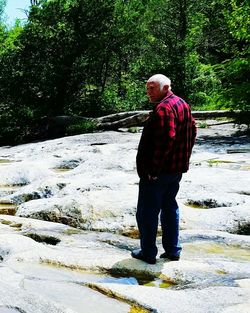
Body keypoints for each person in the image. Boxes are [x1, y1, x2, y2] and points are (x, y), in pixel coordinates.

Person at [131, 74, 197, 264]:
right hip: (175, 170)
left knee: (147, 212)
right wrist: (185, 158)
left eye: (152, 88)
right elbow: (192, 129)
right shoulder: (182, 103)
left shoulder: (164, 109)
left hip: (158, 173)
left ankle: (148, 253)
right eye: (147, 88)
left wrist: (153, 169)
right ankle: (173, 250)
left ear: (166, 88)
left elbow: (166, 139)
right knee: (169, 208)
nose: (148, 92)